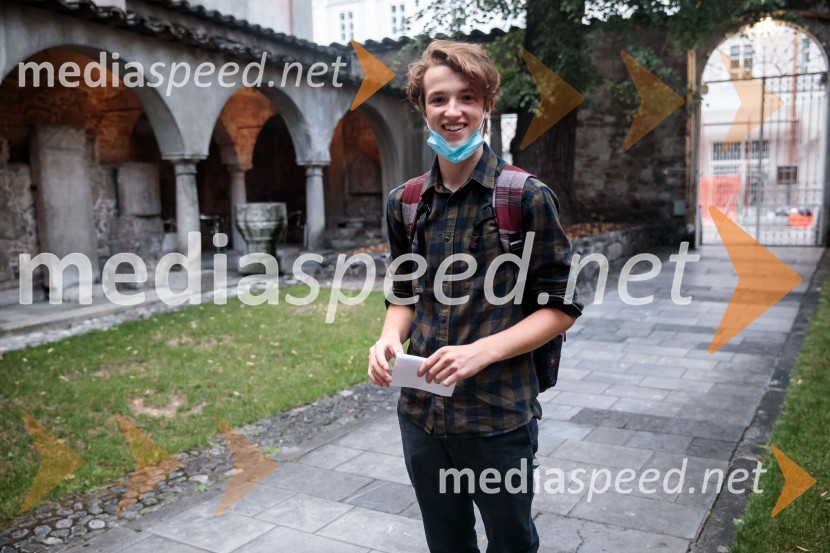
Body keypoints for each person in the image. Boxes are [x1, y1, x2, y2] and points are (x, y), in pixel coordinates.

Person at [367, 39, 582, 553]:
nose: (453, 110)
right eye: (439, 99)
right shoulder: (406, 203)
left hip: (498, 418)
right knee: (446, 543)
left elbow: (560, 307)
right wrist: (387, 340)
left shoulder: (524, 196)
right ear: (422, 108)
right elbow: (403, 294)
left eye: (467, 96)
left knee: (511, 542)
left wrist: (478, 353)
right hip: (421, 416)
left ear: (487, 104)